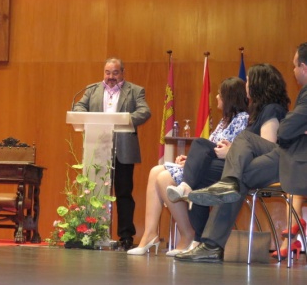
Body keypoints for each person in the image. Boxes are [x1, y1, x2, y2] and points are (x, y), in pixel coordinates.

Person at [175, 44, 307, 263]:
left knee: (239, 164)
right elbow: (291, 128)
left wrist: (294, 127)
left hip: (294, 157)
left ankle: (210, 244)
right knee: (239, 174)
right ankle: (212, 238)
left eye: (294, 66)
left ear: (303, 67)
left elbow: (284, 130)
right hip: (285, 154)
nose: (293, 71)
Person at [167, 63, 290, 248]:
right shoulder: (257, 113)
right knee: (200, 156)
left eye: (248, 81)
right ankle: (199, 239)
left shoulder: (272, 110)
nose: (246, 85)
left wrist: (231, 151)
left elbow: (268, 150)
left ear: (258, 84)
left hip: (254, 171)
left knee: (200, 170)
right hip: (239, 167)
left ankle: (201, 237)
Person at [127, 77, 249, 256]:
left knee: (163, 178)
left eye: (220, 94)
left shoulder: (242, 119)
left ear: (229, 97)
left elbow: (223, 150)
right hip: (209, 165)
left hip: (223, 169)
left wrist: (196, 160)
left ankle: (188, 234)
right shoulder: (225, 120)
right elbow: (209, 147)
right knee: (155, 171)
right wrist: (190, 160)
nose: (216, 97)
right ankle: (150, 234)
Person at [73, 57, 151, 250]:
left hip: (123, 150)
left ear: (122, 73)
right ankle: (92, 233)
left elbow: (144, 111)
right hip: (97, 149)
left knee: (123, 193)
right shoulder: (92, 90)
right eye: (107, 72)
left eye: (115, 73)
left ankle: (125, 236)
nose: (111, 77)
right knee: (95, 192)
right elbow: (78, 107)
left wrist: (122, 119)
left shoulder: (135, 91)